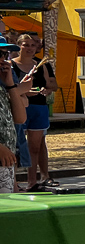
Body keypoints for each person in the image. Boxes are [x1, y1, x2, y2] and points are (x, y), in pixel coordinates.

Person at [11, 34, 57, 190]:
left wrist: (46, 90)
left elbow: (52, 85)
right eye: (25, 45)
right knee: (16, 146)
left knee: (35, 147)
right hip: (19, 108)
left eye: (32, 45)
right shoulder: (11, 65)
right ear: (19, 46)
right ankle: (13, 183)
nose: (29, 48)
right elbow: (9, 88)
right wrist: (23, 92)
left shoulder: (42, 65)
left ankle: (32, 182)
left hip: (39, 107)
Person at [0, 42, 29, 193]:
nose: (3, 60)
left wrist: (10, 85)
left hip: (5, 163)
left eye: (6, 55)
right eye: (0, 54)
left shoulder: (2, 86)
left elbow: (20, 118)